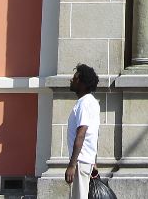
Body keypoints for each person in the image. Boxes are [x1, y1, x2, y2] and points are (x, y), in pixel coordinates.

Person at [65, 63, 100, 199]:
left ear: (83, 83)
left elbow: (81, 134)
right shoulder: (92, 102)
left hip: (80, 162)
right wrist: (93, 161)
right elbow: (94, 134)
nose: (72, 80)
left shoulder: (84, 103)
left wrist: (72, 164)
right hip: (86, 160)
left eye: (76, 78)